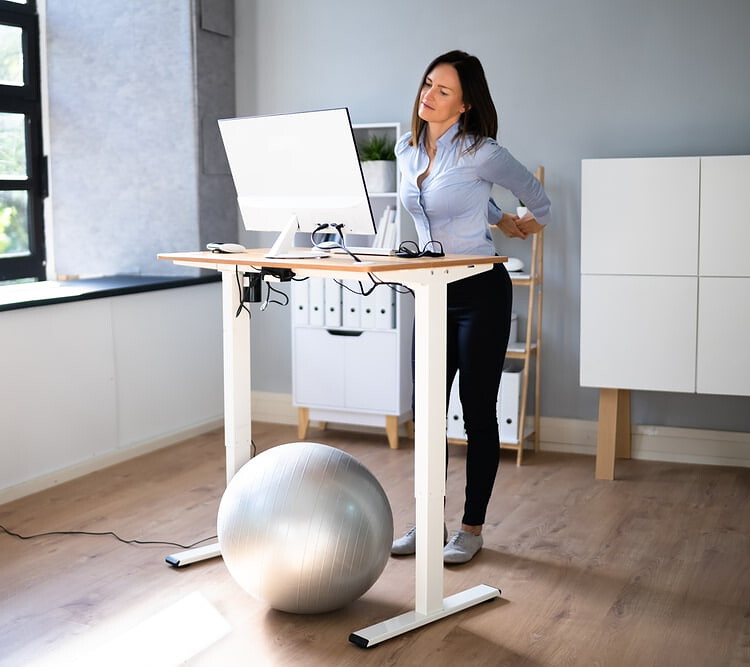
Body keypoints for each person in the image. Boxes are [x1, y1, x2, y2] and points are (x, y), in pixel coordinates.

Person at [391, 50, 551, 564]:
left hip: (481, 291)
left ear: (464, 105)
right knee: (427, 413)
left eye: (443, 91)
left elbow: (537, 196)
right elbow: (452, 199)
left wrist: (523, 219)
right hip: (432, 292)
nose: (428, 96)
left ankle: (471, 528)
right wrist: (495, 214)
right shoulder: (406, 150)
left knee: (478, 414)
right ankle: (426, 522)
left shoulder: (483, 151)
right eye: (427, 84)